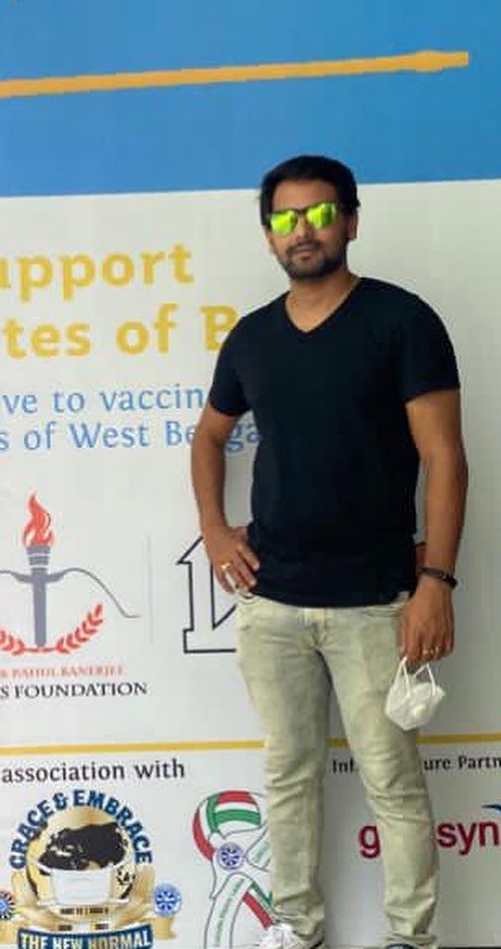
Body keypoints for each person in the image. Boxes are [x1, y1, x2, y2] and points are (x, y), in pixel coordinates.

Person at [190, 155, 467, 949]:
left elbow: (446, 458)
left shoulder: (402, 321)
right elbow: (209, 438)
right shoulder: (252, 337)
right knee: (289, 779)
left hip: (378, 602)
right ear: (269, 235)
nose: (301, 231)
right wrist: (216, 529)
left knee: (393, 784)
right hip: (273, 604)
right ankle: (296, 929)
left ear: (349, 220)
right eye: (285, 219)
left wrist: (436, 582)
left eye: (317, 214)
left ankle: (410, 938)